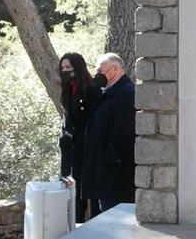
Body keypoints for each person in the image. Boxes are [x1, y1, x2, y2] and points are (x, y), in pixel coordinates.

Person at [84, 53, 136, 216]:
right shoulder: (106, 93)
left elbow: (124, 132)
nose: (97, 74)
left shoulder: (126, 93)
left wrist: (109, 157)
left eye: (100, 70)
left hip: (116, 174)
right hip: (104, 173)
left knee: (115, 219)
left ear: (114, 69)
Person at [56, 52, 102, 222]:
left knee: (89, 186)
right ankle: (77, 220)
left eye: (68, 67)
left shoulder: (90, 89)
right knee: (73, 184)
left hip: (88, 144)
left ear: (78, 67)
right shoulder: (67, 90)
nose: (65, 70)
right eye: (63, 68)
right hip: (72, 146)